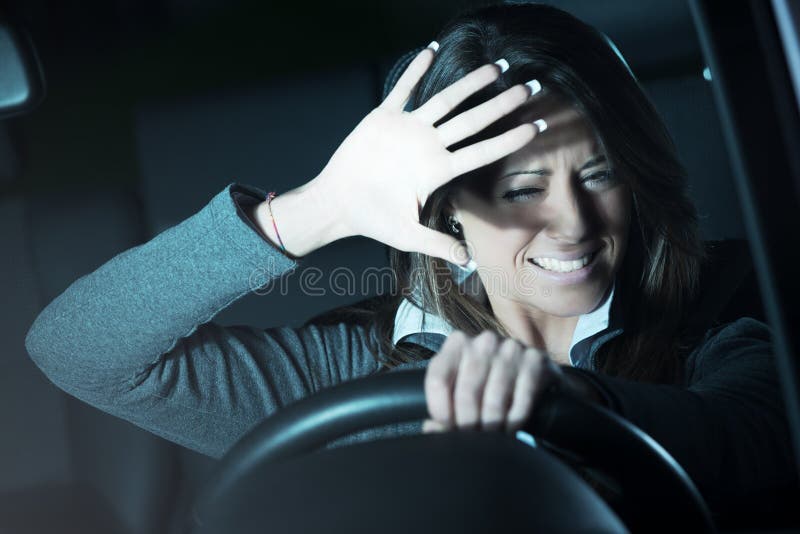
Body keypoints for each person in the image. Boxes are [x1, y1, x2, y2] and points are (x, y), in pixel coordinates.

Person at [24, 2, 798, 529]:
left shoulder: (726, 301)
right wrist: (320, 209)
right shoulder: (360, 367)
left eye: (599, 175)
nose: (574, 222)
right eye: (521, 188)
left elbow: (762, 432)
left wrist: (564, 400)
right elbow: (79, 350)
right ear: (448, 206)